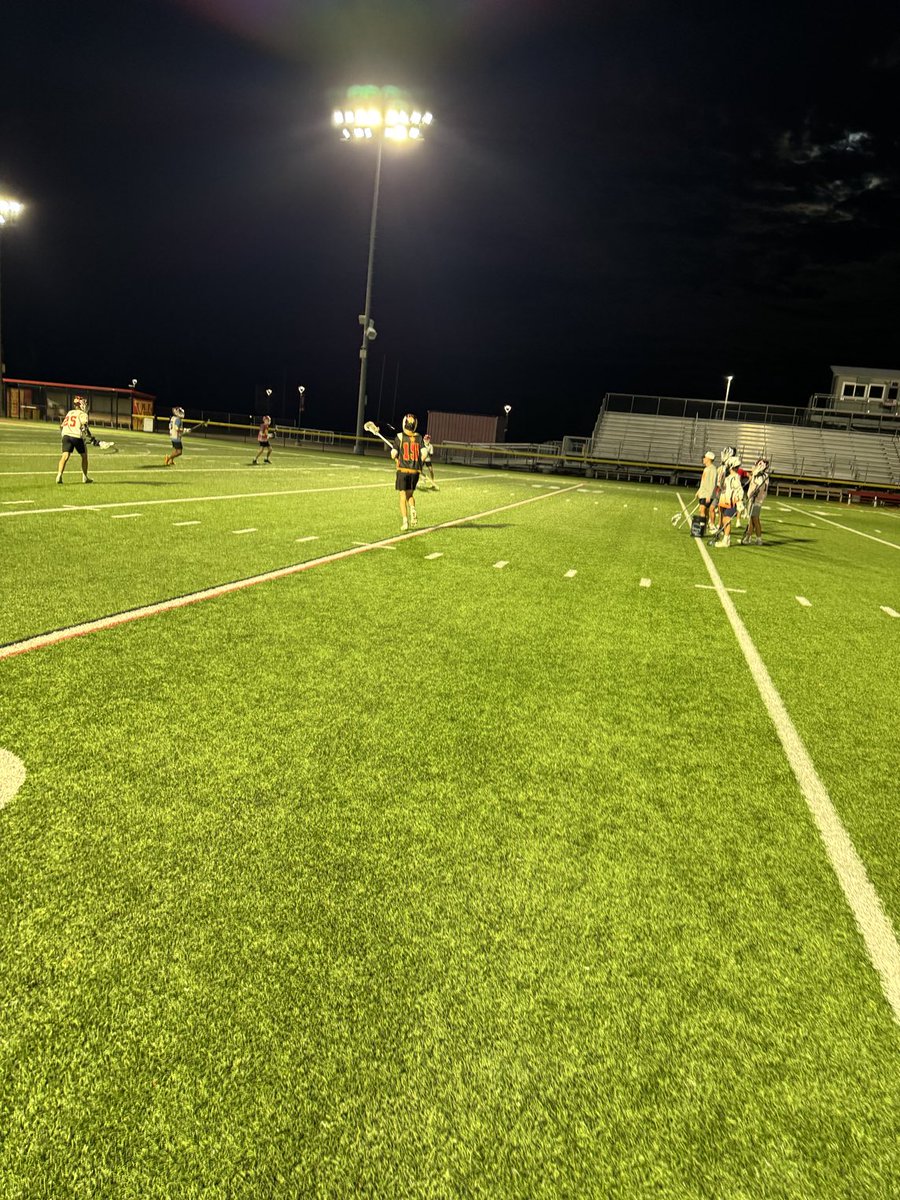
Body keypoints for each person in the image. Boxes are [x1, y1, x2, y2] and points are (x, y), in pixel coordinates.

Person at [390, 413, 422, 530]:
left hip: (403, 470)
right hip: (414, 471)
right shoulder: (419, 437)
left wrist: (395, 456)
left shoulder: (399, 437)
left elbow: (393, 454)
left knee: (402, 496)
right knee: (410, 495)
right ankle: (412, 509)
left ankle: (405, 521)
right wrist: (419, 464)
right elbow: (424, 454)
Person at [56, 395, 96, 484]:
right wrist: (90, 436)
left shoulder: (70, 412)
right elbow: (84, 426)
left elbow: (61, 426)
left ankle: (59, 475)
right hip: (76, 436)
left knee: (65, 456)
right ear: (81, 405)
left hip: (66, 435)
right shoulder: (83, 414)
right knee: (84, 456)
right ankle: (85, 477)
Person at [713, 457, 747, 548]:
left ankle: (726, 541)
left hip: (731, 502)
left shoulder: (735, 478)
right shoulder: (729, 477)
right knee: (725, 520)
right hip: (726, 501)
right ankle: (725, 538)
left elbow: (740, 491)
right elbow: (722, 486)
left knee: (726, 520)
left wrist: (739, 502)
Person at [741, 458, 771, 545]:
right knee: (752, 519)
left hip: (755, 500)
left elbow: (758, 487)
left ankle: (758, 539)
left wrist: (754, 494)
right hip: (756, 499)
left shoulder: (760, 476)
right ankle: (749, 537)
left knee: (755, 519)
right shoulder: (763, 475)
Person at [694, 450, 716, 531]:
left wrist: (709, 495)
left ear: (709, 459)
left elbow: (712, 483)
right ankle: (704, 526)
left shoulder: (712, 469)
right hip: (703, 493)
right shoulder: (706, 469)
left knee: (702, 510)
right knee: (704, 511)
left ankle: (702, 528)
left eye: (705, 458)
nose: (703, 459)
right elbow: (704, 482)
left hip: (707, 494)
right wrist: (699, 491)